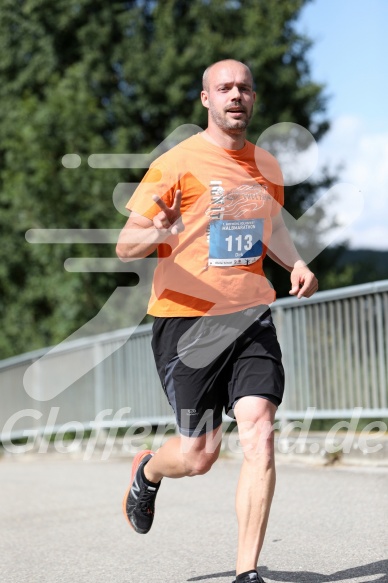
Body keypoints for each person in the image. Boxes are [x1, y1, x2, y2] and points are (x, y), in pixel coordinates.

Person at [116, 59, 318, 583]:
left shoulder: (266, 167)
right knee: (199, 454)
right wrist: (158, 230)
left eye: (244, 88)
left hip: (251, 315)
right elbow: (125, 246)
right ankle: (149, 471)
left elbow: (271, 225)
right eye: (224, 88)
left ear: (253, 99)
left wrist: (294, 262)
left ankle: (246, 573)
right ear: (205, 99)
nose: (235, 95)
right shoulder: (177, 163)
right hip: (186, 322)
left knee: (259, 432)